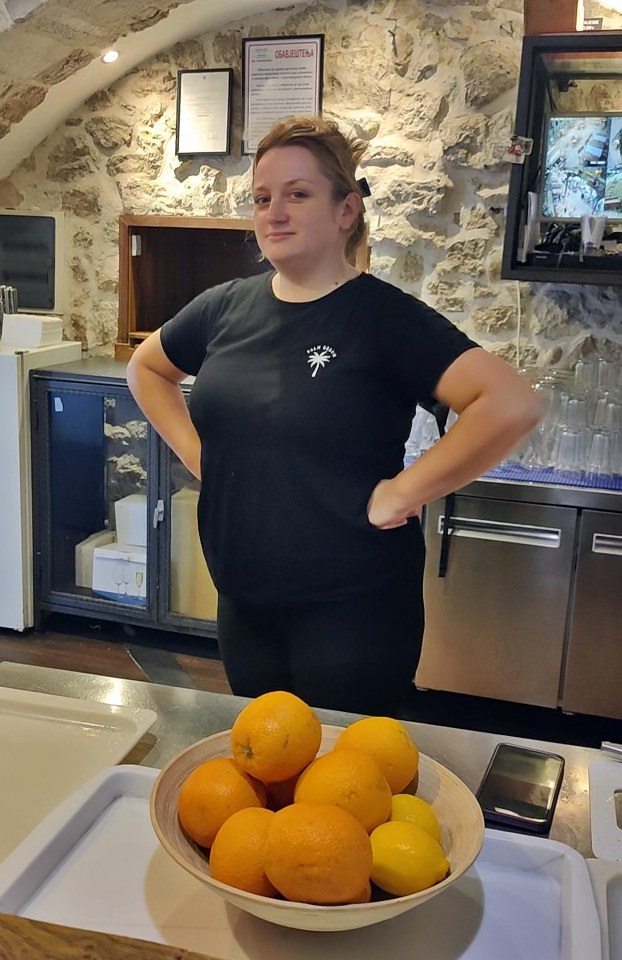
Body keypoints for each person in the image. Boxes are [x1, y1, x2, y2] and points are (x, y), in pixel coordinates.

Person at [127, 115, 541, 717]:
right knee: (266, 756)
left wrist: (402, 493)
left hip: (353, 609)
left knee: (344, 766)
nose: (275, 213)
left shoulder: (383, 318)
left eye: (298, 194)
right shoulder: (223, 308)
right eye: (262, 198)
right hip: (244, 600)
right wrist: (200, 457)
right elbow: (146, 369)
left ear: (346, 210)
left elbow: (509, 402)